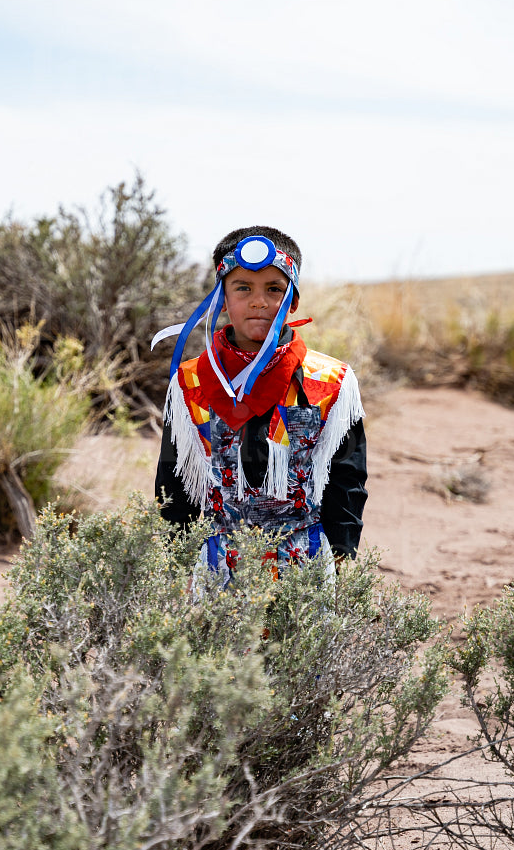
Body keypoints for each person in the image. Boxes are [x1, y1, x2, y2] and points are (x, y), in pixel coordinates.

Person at [153, 226, 367, 587]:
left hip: (307, 565)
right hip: (217, 569)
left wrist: (343, 559)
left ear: (293, 300)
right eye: (243, 288)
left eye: (274, 289)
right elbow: (175, 485)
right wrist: (176, 567)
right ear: (221, 298)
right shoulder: (190, 383)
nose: (258, 301)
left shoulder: (331, 382)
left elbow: (348, 482)